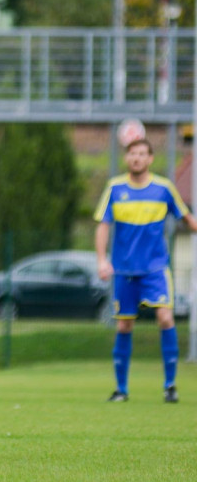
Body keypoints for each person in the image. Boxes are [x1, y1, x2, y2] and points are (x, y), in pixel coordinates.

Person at [94, 137, 196, 404]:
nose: (137, 158)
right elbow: (103, 225)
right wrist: (102, 260)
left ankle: (170, 385)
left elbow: (187, 219)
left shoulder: (164, 189)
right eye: (132, 154)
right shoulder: (115, 189)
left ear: (150, 158)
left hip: (155, 270)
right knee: (125, 325)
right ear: (127, 158)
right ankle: (121, 389)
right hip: (125, 271)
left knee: (165, 318)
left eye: (142, 154)